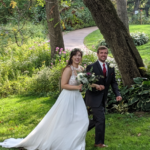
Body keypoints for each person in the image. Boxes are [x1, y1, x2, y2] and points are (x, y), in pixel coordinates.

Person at [0, 48, 90, 150]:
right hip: (67, 97)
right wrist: (77, 87)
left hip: (77, 98)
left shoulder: (81, 69)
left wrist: (88, 86)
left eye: (79, 55)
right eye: (75, 55)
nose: (77, 57)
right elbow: (63, 85)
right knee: (64, 121)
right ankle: (63, 143)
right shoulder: (68, 69)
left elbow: (83, 83)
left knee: (83, 120)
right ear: (71, 57)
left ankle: (74, 142)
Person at [85, 46, 122, 148]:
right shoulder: (91, 67)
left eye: (105, 53)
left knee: (96, 120)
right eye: (101, 53)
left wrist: (118, 94)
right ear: (97, 54)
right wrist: (96, 86)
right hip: (93, 97)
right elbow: (86, 83)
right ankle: (99, 143)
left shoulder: (111, 67)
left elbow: (113, 83)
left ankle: (78, 131)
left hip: (103, 98)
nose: (103, 55)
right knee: (100, 119)